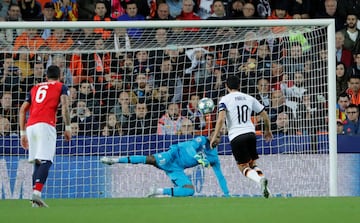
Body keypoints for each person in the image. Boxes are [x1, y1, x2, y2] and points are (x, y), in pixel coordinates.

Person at [100, 132, 229, 197]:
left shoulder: (213, 157)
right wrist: (198, 157)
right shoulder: (201, 140)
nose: (215, 138)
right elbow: (190, 148)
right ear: (210, 135)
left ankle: (157, 191)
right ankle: (114, 160)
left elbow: (220, 176)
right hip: (173, 155)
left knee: (189, 190)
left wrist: (227, 195)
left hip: (177, 168)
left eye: (219, 137)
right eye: (214, 135)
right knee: (150, 159)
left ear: (220, 141)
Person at [210, 75, 273, 198]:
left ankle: (260, 180)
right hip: (251, 134)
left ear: (226, 86)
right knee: (252, 163)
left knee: (242, 166)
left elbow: (221, 119)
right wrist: (268, 130)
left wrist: (214, 136)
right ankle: (266, 188)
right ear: (239, 85)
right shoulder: (249, 98)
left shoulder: (224, 99)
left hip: (236, 136)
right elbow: (264, 115)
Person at [19, 65, 71, 207]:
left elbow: (22, 110)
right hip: (46, 125)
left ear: (46, 77)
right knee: (47, 160)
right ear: (60, 76)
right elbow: (65, 106)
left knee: (37, 162)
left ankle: (35, 200)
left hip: (31, 126)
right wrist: (68, 127)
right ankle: (37, 194)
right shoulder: (61, 86)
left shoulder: (35, 88)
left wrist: (22, 133)